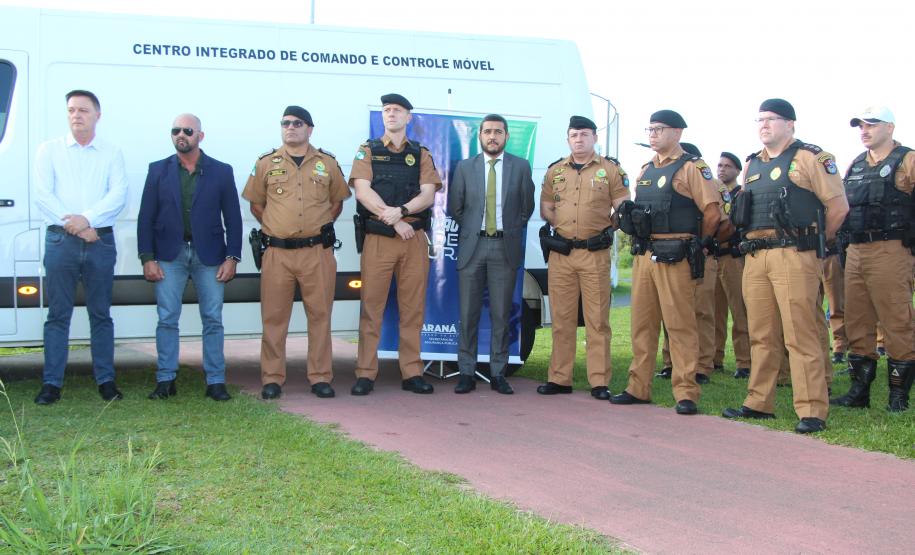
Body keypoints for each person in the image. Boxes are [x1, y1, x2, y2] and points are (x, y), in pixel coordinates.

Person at [722, 99, 849, 433]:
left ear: (790, 124)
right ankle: (758, 402)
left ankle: (811, 410)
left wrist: (815, 246)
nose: (764, 125)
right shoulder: (751, 165)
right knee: (761, 333)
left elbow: (837, 207)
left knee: (800, 332)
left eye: (772, 120)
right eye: (759, 120)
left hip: (795, 253)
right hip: (756, 255)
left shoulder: (810, 159)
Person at [611, 110, 722, 415]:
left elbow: (713, 212)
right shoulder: (645, 169)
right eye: (650, 129)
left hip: (676, 254)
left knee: (680, 326)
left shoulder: (692, 168)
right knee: (642, 325)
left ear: (678, 133)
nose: (653, 134)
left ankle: (686, 392)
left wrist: (699, 243)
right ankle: (638, 387)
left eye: (659, 129)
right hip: (646, 255)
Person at [242, 106, 349, 400]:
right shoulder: (266, 163)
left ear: (310, 129)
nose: (290, 127)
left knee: (320, 316)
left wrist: (318, 227)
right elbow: (256, 204)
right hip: (277, 253)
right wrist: (278, 227)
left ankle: (320, 377)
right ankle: (272, 378)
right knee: (274, 318)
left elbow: (337, 201)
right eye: (285, 123)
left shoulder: (327, 163)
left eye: (297, 123)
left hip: (317, 252)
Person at [137, 113, 242, 401]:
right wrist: (147, 257)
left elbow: (233, 218)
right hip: (169, 255)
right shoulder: (158, 170)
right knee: (167, 318)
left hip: (210, 256)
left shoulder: (221, 171)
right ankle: (165, 380)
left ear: (200, 136)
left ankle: (216, 381)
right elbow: (145, 217)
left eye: (187, 130)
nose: (180, 135)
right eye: (175, 131)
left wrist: (232, 256)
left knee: (212, 319)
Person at [33, 90, 128, 405]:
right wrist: (76, 226)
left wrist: (87, 220)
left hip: (99, 241)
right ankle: (51, 384)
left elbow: (118, 195)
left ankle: (106, 381)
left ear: (97, 115)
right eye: (72, 110)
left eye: (84, 110)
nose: (77, 115)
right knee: (58, 314)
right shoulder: (49, 151)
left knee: (100, 313)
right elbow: (43, 195)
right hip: (61, 241)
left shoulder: (111, 153)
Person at [350, 94, 441, 396]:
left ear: (408, 117)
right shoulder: (368, 151)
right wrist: (394, 220)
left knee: (412, 310)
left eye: (397, 110)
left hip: (413, 240)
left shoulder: (421, 153)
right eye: (387, 110)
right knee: (371, 308)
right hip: (379, 240)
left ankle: (412, 372)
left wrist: (401, 212)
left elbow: (428, 195)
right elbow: (363, 192)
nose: (391, 114)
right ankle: (365, 373)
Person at [537, 116, 629, 400]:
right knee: (562, 319)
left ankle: (599, 381)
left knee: (597, 320)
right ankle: (560, 378)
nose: (579, 139)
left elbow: (623, 208)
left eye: (585, 134)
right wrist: (562, 229)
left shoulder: (610, 170)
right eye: (574, 135)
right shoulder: (555, 171)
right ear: (568, 139)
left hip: (594, 254)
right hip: (562, 254)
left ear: (594, 138)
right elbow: (546, 208)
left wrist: (606, 230)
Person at [830, 106, 915, 412]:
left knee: (896, 321)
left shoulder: (907, 159)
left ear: (889, 127)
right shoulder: (855, 165)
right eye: (860, 126)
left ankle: (898, 395)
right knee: (857, 322)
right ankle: (859, 391)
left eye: (871, 125)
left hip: (891, 249)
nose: (864, 130)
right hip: (856, 251)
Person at [447, 114, 535, 395]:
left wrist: (507, 229)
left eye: (498, 131)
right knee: (468, 313)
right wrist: (476, 228)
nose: (492, 136)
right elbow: (456, 208)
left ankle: (498, 373)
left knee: (501, 315)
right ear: (480, 136)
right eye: (487, 132)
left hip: (503, 247)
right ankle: (466, 372)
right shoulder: (464, 167)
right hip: (473, 247)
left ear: (506, 136)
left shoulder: (521, 167)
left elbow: (526, 208)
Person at [656, 142, 719, 385]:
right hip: (677, 253)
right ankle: (670, 361)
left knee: (700, 312)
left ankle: (703, 365)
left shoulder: (709, 184)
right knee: (671, 312)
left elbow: (719, 219)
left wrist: (700, 243)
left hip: (701, 254)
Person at [712, 151, 752, 379]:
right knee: (715, 313)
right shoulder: (714, 194)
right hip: (714, 258)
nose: (722, 169)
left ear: (737, 170)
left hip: (733, 258)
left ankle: (744, 362)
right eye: (719, 165)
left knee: (740, 312)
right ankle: (714, 358)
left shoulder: (741, 194)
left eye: (727, 166)